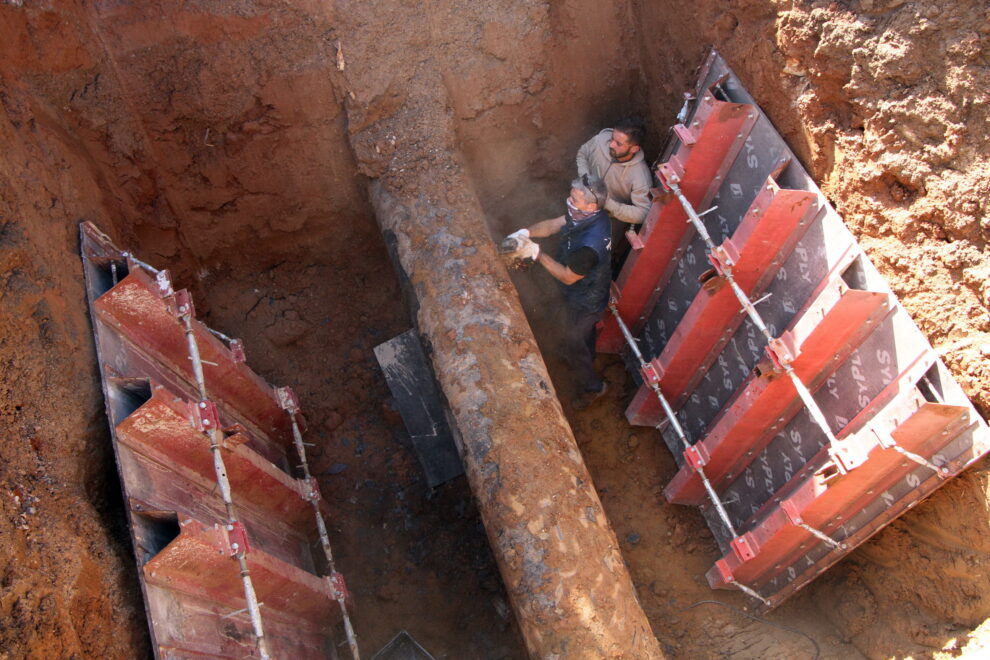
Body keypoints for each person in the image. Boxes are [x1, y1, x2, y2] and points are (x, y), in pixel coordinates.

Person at [504, 174, 612, 409]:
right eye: (570, 197)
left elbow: (567, 276)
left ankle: (594, 387)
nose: (569, 202)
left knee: (575, 340)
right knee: (581, 334)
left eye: (574, 199)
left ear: (591, 206)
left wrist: (537, 254)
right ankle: (583, 353)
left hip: (586, 299)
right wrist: (525, 233)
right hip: (580, 291)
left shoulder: (590, 247)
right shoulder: (584, 215)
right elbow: (554, 224)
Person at [576, 116, 652, 269]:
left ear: (634, 149)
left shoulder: (640, 176)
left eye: (618, 143)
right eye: (612, 139)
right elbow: (582, 154)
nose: (611, 144)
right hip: (581, 203)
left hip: (608, 221)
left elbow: (644, 213)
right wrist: (586, 178)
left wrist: (608, 204)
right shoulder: (600, 140)